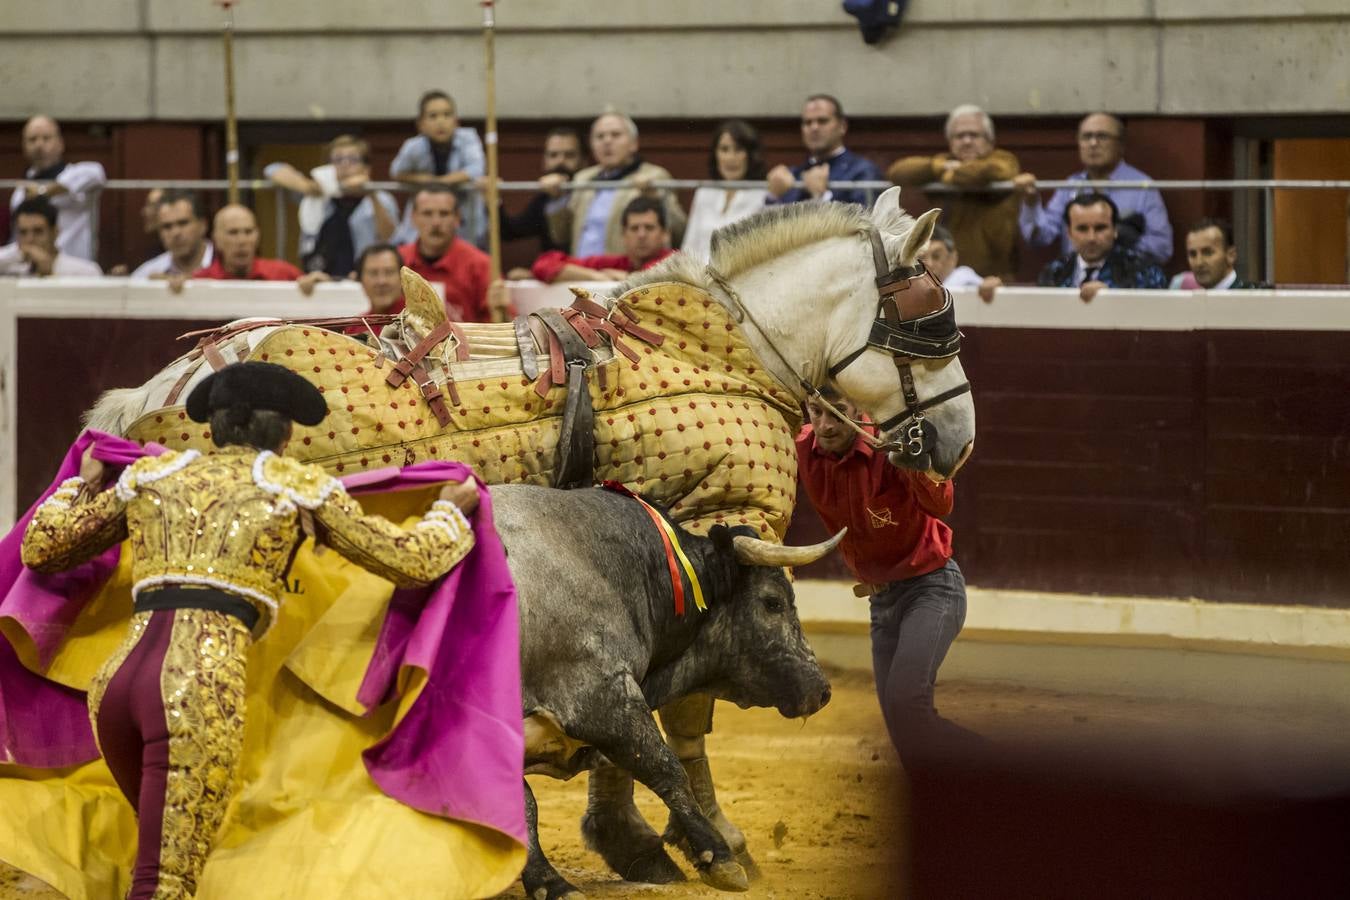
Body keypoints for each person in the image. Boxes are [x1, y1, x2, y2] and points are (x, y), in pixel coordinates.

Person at [19, 360, 481, 899]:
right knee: (163, 883)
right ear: (286, 434)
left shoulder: (155, 475)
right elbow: (410, 562)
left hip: (114, 692)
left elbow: (41, 547)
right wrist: (448, 513)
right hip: (196, 693)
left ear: (212, 430)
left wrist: (83, 483)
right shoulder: (294, 485)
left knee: (155, 857)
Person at [796, 384, 973, 764]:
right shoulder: (801, 447)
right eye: (816, 411)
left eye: (837, 411)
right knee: (905, 731)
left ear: (859, 408)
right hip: (881, 602)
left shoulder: (890, 448)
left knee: (907, 706)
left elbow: (941, 505)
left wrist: (922, 463)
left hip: (932, 588)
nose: (825, 425)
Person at [1015, 112, 1174, 266]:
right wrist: (1031, 203)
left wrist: (1124, 240)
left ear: (1121, 145)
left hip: (1124, 282)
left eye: (1102, 136)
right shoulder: (1070, 185)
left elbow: (1163, 248)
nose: (1093, 143)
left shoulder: (1142, 187)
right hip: (1075, 282)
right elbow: (1041, 237)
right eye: (1086, 137)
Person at [887, 105, 1021, 281]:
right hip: (945, 278)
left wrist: (951, 175)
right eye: (959, 136)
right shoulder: (944, 162)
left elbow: (995, 171)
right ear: (950, 142)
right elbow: (897, 172)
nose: (966, 141)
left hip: (994, 279)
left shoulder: (1003, 159)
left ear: (990, 140)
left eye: (974, 135)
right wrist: (939, 167)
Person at [546, 110, 687, 256]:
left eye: (615, 135)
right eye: (600, 136)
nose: (607, 141)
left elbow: (678, 232)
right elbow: (560, 236)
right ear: (592, 145)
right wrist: (557, 198)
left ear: (634, 144)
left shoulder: (654, 176)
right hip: (583, 271)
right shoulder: (583, 178)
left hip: (623, 271)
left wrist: (654, 196)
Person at [265, 135, 399, 277]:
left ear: (366, 168)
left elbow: (388, 236)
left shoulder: (380, 199)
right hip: (317, 277)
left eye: (353, 159)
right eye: (337, 159)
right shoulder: (317, 195)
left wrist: (371, 195)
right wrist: (307, 186)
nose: (344, 165)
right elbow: (272, 169)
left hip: (360, 279)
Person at [390, 90, 487, 248]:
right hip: (424, 219)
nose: (441, 122)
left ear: (456, 121)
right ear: (420, 124)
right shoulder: (413, 146)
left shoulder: (468, 138)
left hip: (466, 220)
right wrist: (423, 180)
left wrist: (438, 183)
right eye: (433, 116)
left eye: (447, 115)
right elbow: (396, 172)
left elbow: (477, 168)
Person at [8, 115, 107, 262]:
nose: (39, 145)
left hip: (74, 269)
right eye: (32, 139)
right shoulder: (20, 193)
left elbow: (97, 173)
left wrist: (44, 193)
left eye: (46, 138)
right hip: (32, 270)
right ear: (24, 147)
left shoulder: (77, 174)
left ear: (60, 144)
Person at [1036, 193, 1167, 301]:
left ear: (1115, 230)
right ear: (1069, 233)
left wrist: (1112, 297)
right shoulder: (1053, 272)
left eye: (1100, 228)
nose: (1091, 238)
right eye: (1082, 229)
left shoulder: (1143, 270)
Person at [398, 185, 498, 322]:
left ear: (457, 218)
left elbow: (500, 325)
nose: (436, 222)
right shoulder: (396, 262)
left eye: (444, 214)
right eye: (427, 213)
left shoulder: (481, 265)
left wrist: (501, 309)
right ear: (413, 218)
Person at [766, 94, 883, 208]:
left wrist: (822, 197)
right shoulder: (792, 175)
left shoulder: (864, 171)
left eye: (822, 121)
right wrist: (773, 197)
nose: (814, 128)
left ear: (842, 126)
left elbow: (866, 223)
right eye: (808, 122)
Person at [679, 120, 770, 260]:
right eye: (724, 149)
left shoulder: (763, 195)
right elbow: (689, 248)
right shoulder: (704, 192)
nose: (730, 158)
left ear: (750, 155)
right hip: (699, 277)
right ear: (716, 154)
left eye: (738, 150)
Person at [531, 196, 675, 283]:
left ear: (665, 234)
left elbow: (655, 278)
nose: (641, 235)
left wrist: (629, 278)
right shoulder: (615, 264)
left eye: (649, 228)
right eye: (634, 228)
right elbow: (543, 264)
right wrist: (594, 277)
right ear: (623, 235)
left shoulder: (676, 263)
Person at [500, 126, 585, 273]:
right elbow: (511, 231)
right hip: (557, 273)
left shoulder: (589, 194)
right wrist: (494, 200)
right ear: (544, 161)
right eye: (553, 155)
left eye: (569, 155)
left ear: (583, 161)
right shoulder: (544, 199)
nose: (560, 161)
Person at [194, 205, 329, 294]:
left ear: (258, 236)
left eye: (248, 232)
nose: (242, 241)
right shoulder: (198, 282)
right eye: (233, 233)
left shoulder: (282, 273)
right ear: (216, 238)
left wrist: (323, 286)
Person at [0, 196, 103, 276]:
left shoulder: (84, 271)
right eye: (23, 232)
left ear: (55, 232)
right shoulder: (9, 265)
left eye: (38, 231)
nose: (29, 239)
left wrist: (49, 273)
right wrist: (17, 255)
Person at [130, 190, 214, 282]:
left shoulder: (227, 266)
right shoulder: (145, 276)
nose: (175, 233)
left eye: (183, 223)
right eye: (167, 226)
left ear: (203, 225)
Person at [1169, 218, 1270, 290]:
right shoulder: (1188, 305)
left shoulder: (1255, 297)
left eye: (1207, 253)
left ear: (1231, 255)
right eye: (1192, 254)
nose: (1199, 262)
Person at [923, 225, 1002, 302]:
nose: (928, 264)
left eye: (936, 256)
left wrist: (992, 284)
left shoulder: (962, 276)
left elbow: (987, 286)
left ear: (952, 258)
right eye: (921, 258)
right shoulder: (915, 284)